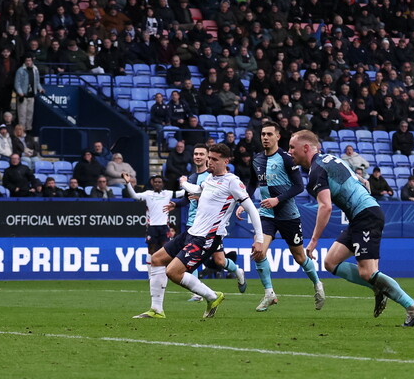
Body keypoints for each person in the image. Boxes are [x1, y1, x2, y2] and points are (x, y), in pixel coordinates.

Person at [289, 129, 414, 327]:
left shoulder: (316, 172)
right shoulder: (330, 159)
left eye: (293, 147)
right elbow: (361, 180)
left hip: (366, 216)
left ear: (306, 148)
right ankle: (379, 287)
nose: (290, 151)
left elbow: (326, 206)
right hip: (360, 216)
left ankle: (413, 307)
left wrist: (314, 240)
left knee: (367, 273)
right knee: (331, 262)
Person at [133, 143, 265, 319]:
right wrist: (185, 184)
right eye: (209, 158)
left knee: (172, 272)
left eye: (214, 159)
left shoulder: (233, 182)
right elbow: (198, 190)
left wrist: (259, 239)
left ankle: (212, 295)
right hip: (192, 232)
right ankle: (156, 310)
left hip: (207, 237)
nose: (210, 162)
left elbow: (252, 209)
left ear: (226, 161)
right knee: (157, 259)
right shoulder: (209, 179)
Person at [248, 121, 324, 312]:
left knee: (299, 257)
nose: (265, 138)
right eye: (263, 134)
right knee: (258, 251)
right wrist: (245, 203)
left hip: (288, 215)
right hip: (266, 215)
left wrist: (277, 199)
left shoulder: (286, 158)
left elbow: (299, 186)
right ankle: (269, 293)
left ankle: (317, 284)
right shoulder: (256, 159)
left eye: (269, 134)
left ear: (278, 137)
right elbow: (251, 184)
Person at [123, 172, 183, 257]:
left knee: (165, 250)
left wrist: (185, 183)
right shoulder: (147, 194)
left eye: (159, 182)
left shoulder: (167, 193)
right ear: (152, 183)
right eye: (155, 182)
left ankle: (164, 270)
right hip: (152, 226)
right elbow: (134, 196)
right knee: (151, 250)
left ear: (163, 184)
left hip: (164, 226)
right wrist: (128, 183)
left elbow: (182, 193)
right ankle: (151, 270)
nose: (157, 184)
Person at [14, 55, 44, 134]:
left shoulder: (35, 69)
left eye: (29, 60)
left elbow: (37, 82)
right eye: (26, 60)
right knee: (22, 115)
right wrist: (20, 92)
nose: (28, 62)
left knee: (30, 115)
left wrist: (40, 89)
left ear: (32, 61)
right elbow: (17, 83)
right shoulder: (20, 70)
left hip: (32, 95)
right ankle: (21, 132)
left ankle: (28, 131)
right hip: (23, 96)